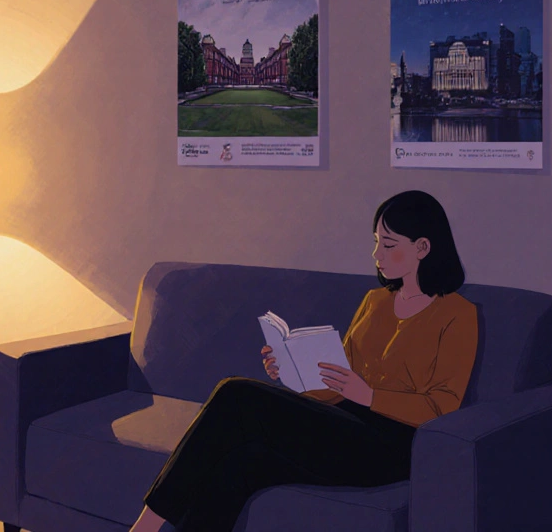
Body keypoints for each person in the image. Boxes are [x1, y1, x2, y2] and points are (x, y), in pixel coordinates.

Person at [128, 190, 479, 532]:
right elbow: (338, 382)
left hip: (393, 446)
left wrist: (371, 396)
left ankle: (144, 527)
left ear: (422, 247)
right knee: (241, 461)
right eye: (376, 242)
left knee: (235, 393)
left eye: (388, 245)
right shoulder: (376, 301)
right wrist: (293, 373)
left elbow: (443, 406)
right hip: (343, 424)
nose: (376, 254)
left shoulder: (458, 315)